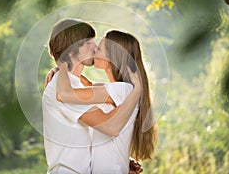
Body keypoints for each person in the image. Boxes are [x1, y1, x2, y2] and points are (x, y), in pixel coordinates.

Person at [42, 19, 142, 174]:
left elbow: (90, 134)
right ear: (71, 49)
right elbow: (109, 127)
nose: (95, 48)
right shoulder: (63, 87)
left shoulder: (76, 85)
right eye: (89, 43)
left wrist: (119, 158)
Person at [56, 30, 157, 173]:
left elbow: (65, 94)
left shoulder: (122, 90)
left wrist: (62, 66)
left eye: (99, 48)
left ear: (112, 57)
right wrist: (59, 72)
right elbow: (84, 83)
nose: (94, 49)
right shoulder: (116, 90)